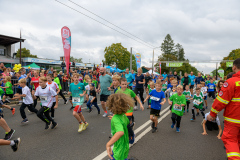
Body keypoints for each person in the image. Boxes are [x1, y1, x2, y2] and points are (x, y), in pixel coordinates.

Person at [207, 58, 240, 160]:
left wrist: (212, 114)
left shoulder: (232, 82)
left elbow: (221, 101)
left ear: (234, 67)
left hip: (234, 120)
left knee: (231, 141)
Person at [106, 93, 134, 160]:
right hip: (125, 146)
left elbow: (120, 132)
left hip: (119, 148)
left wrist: (108, 144)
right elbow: (127, 124)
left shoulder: (115, 118)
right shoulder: (124, 116)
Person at [116, 78, 144, 142]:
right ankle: (130, 128)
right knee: (124, 124)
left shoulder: (129, 91)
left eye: (125, 84)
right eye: (123, 84)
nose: (124, 85)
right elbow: (116, 100)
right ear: (120, 84)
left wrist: (140, 104)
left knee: (126, 123)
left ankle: (131, 135)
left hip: (129, 110)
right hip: (122, 110)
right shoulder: (118, 92)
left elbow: (136, 97)